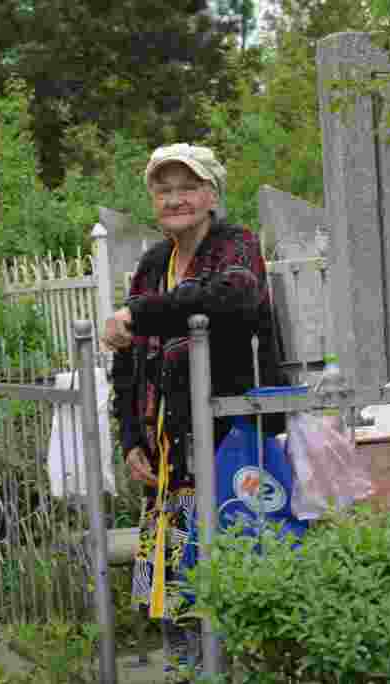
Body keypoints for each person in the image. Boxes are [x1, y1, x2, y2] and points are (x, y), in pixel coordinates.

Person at [103, 143, 287, 679]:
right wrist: (131, 437)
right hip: (164, 460)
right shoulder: (154, 262)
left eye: (187, 187)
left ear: (211, 195)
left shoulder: (236, 246)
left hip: (228, 444)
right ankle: (184, 672)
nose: (175, 198)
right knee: (170, 584)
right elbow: (128, 357)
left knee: (233, 568)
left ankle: (238, 670)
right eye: (164, 190)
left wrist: (136, 314)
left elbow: (232, 298)